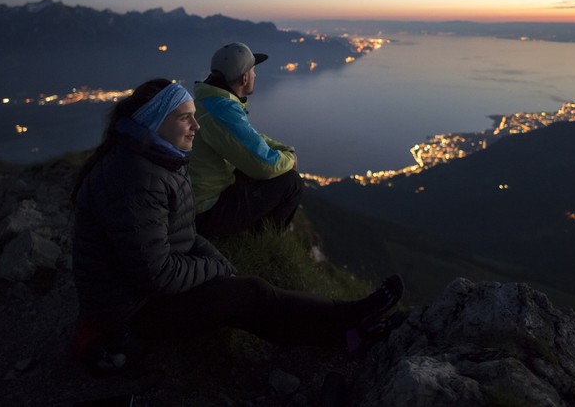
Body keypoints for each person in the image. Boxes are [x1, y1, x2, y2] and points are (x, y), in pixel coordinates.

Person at [70, 78, 403, 374]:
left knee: (244, 295)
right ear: (155, 123)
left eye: (193, 115)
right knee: (251, 294)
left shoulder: (158, 160)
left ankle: (345, 327)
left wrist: (217, 260)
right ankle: (348, 319)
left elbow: (184, 233)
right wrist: (213, 267)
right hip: (130, 310)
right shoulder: (135, 181)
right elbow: (157, 274)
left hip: (139, 291)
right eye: (185, 118)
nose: (195, 127)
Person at [189, 42, 304, 239]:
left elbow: (250, 139)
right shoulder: (221, 111)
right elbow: (263, 165)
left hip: (197, 202)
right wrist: (290, 160)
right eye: (253, 71)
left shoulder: (209, 100)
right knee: (290, 182)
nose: (256, 75)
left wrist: (285, 149)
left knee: (257, 169)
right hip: (204, 214)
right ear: (244, 78)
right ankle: (261, 243)